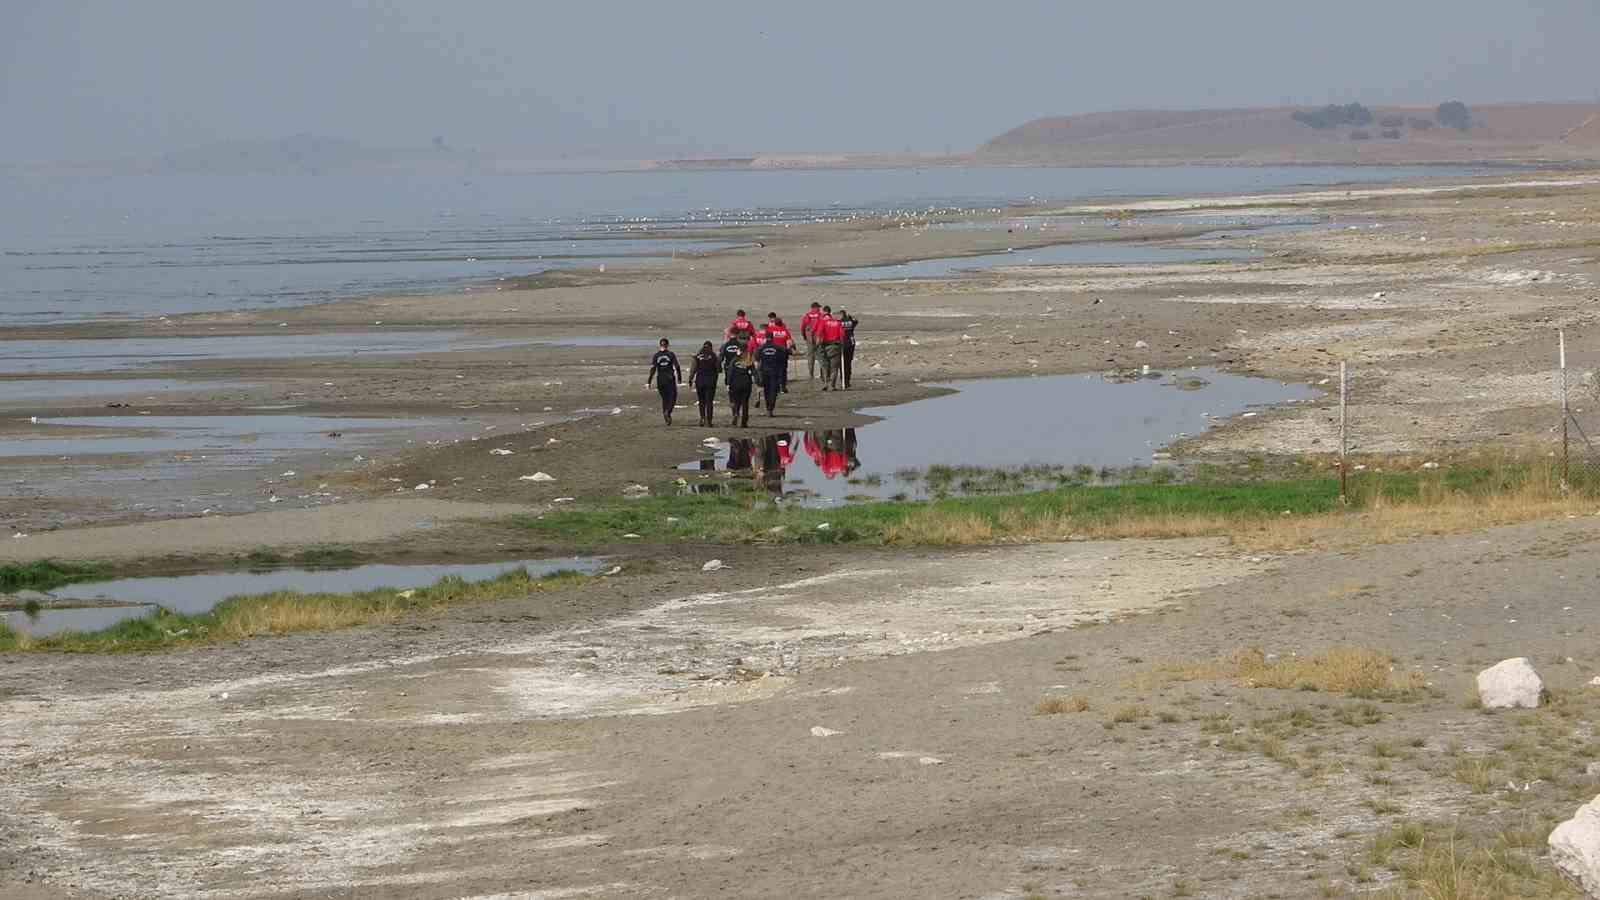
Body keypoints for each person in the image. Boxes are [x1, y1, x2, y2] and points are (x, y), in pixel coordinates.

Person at [646, 338, 681, 425]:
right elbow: (677, 366)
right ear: (667, 345)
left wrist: (649, 381)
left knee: (664, 399)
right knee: (673, 397)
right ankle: (668, 412)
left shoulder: (656, 356)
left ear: (660, 345)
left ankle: (666, 416)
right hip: (669, 379)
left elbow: (653, 369)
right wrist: (679, 378)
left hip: (660, 379)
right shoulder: (671, 354)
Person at [756, 325, 789, 416]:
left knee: (767, 390)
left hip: (764, 372)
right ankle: (771, 408)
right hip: (775, 372)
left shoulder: (761, 348)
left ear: (765, 337)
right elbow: (783, 356)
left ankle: (768, 408)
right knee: (773, 390)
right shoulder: (777, 347)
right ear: (773, 337)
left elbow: (757, 358)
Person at [689, 340, 721, 427]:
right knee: (709, 402)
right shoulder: (714, 356)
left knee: (701, 401)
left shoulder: (698, 356)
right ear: (711, 347)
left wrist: (690, 380)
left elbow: (693, 369)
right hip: (710, 382)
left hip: (700, 381)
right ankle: (709, 420)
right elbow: (719, 369)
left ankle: (702, 419)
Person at [816, 306, 844, 391]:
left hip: (825, 347)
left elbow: (819, 334)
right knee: (834, 368)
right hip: (835, 346)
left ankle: (825, 384)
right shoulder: (838, 323)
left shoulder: (823, 322)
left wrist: (817, 345)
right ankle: (832, 385)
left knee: (825, 366)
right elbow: (842, 335)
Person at [766, 314, 796, 393]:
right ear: (782, 323)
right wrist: (793, 349)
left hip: (773, 352)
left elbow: (767, 340)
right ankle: (783, 386)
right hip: (783, 352)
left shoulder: (770, 329)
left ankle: (776, 387)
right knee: (783, 370)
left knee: (774, 369)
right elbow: (790, 342)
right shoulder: (785, 330)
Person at [726, 349, 755, 427]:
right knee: (745, 404)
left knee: (736, 402)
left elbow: (730, 373)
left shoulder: (734, 360)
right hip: (746, 384)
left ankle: (736, 413)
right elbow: (754, 372)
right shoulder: (748, 360)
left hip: (735, 384)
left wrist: (728, 383)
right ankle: (744, 422)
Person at [799, 301, 825, 380]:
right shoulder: (821, 315)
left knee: (810, 357)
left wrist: (804, 337)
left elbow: (802, 327)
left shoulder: (806, 316)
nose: (819, 309)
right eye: (819, 308)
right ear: (815, 307)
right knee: (821, 356)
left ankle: (811, 375)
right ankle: (822, 374)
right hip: (818, 337)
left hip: (809, 337)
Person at [835, 308, 859, 390]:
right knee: (848, 363)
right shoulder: (850, 322)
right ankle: (847, 381)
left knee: (842, 364)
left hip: (842, 344)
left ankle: (843, 380)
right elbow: (856, 321)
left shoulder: (839, 322)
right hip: (851, 344)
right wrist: (851, 318)